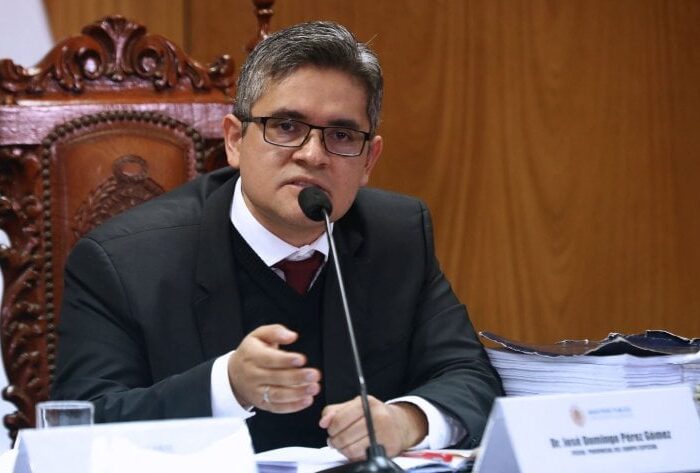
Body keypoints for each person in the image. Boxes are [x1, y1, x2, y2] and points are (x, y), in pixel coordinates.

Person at [53, 21, 503, 459]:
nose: (313, 155)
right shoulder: (126, 260)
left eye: (341, 135)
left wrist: (405, 421)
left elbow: (472, 376)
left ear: (369, 160)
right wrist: (227, 386)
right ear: (235, 140)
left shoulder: (396, 235)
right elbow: (79, 427)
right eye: (287, 126)